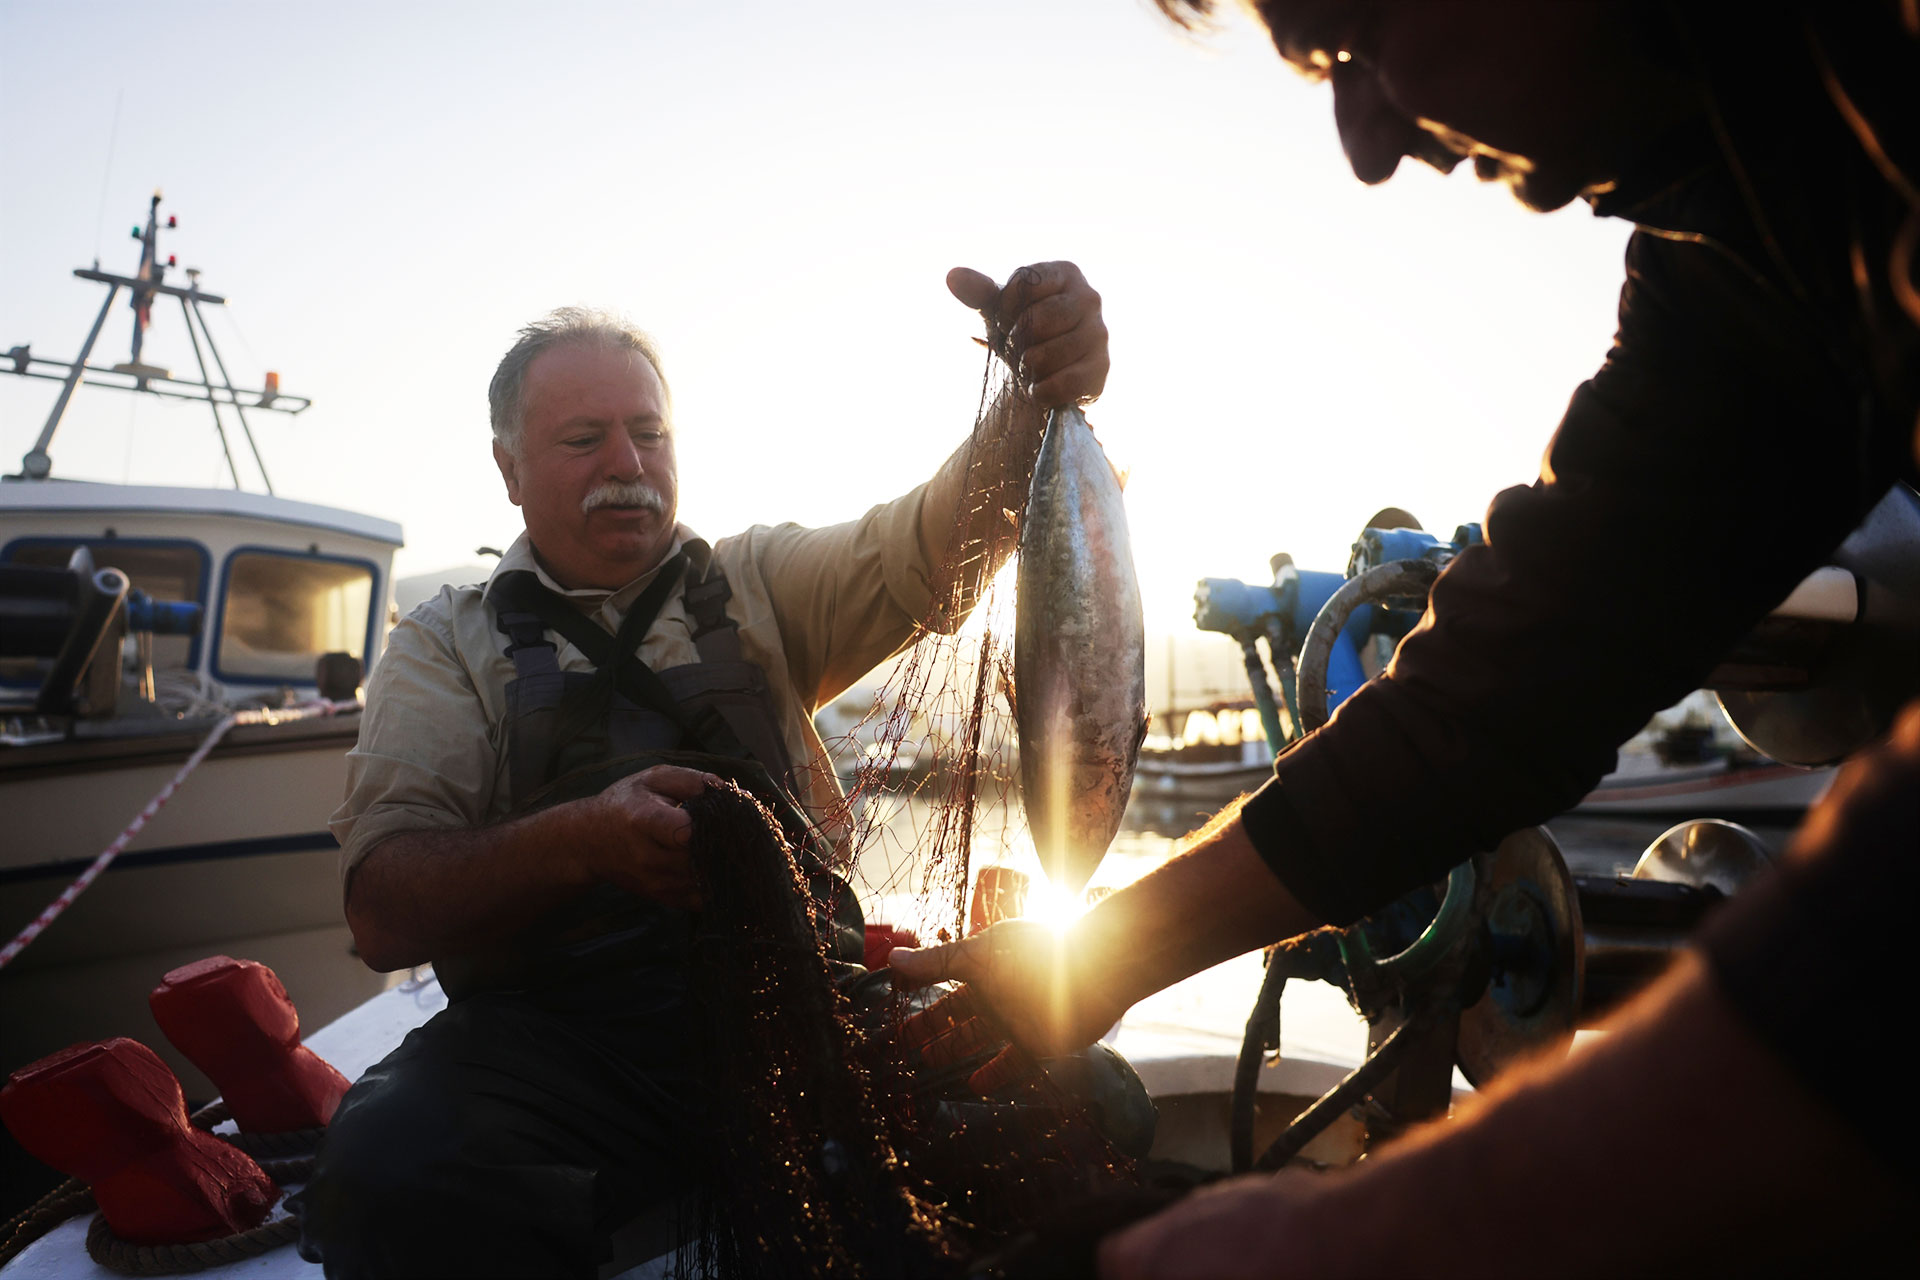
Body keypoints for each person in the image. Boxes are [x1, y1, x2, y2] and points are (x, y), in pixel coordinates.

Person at [891, 2, 1920, 1273]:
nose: (1367, 142)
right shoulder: (1750, 245)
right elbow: (1496, 687)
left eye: (1354, 34)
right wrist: (1099, 961)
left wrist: (1368, 1229)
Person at [291, 262, 1111, 1277]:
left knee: (1089, 1094)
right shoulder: (442, 645)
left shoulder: (755, 583)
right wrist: (582, 841)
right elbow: (384, 907)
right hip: (562, 1053)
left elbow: (930, 545)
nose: (627, 463)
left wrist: (1033, 394)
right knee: (382, 1171)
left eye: (649, 431)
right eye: (584, 440)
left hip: (804, 1021)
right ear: (509, 468)